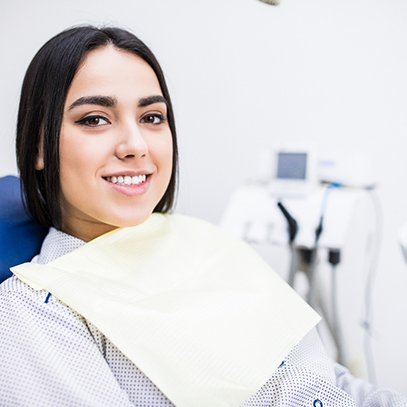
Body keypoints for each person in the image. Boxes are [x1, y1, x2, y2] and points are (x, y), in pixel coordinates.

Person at [0, 25, 405, 407]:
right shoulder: (37, 311)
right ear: (39, 146)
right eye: (95, 119)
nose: (135, 144)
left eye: (152, 118)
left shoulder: (209, 245)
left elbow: (323, 382)